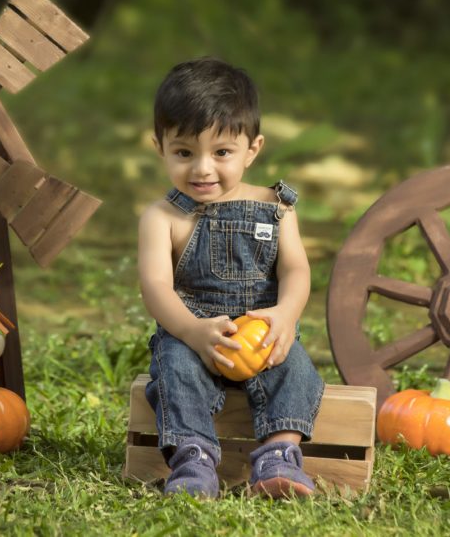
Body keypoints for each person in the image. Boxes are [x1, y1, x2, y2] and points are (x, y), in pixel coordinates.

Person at [137, 58, 324, 499]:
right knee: (175, 371)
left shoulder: (275, 207)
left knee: (296, 369)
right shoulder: (162, 217)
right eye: (184, 152)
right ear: (159, 147)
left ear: (252, 149)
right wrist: (192, 331)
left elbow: (295, 268)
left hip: (263, 333)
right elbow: (157, 287)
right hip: (192, 332)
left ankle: (279, 455)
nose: (203, 169)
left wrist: (286, 313)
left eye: (221, 153)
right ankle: (193, 459)